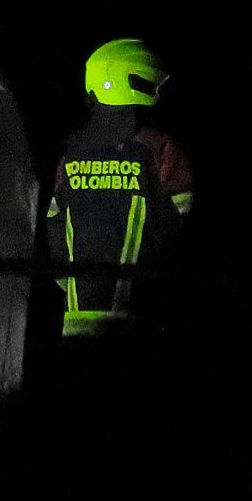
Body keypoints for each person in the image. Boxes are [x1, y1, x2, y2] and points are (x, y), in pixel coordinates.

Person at [45, 38, 194, 347]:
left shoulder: (72, 155)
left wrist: (74, 283)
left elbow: (55, 227)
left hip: (76, 326)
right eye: (147, 82)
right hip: (142, 324)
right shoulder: (160, 150)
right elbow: (186, 228)